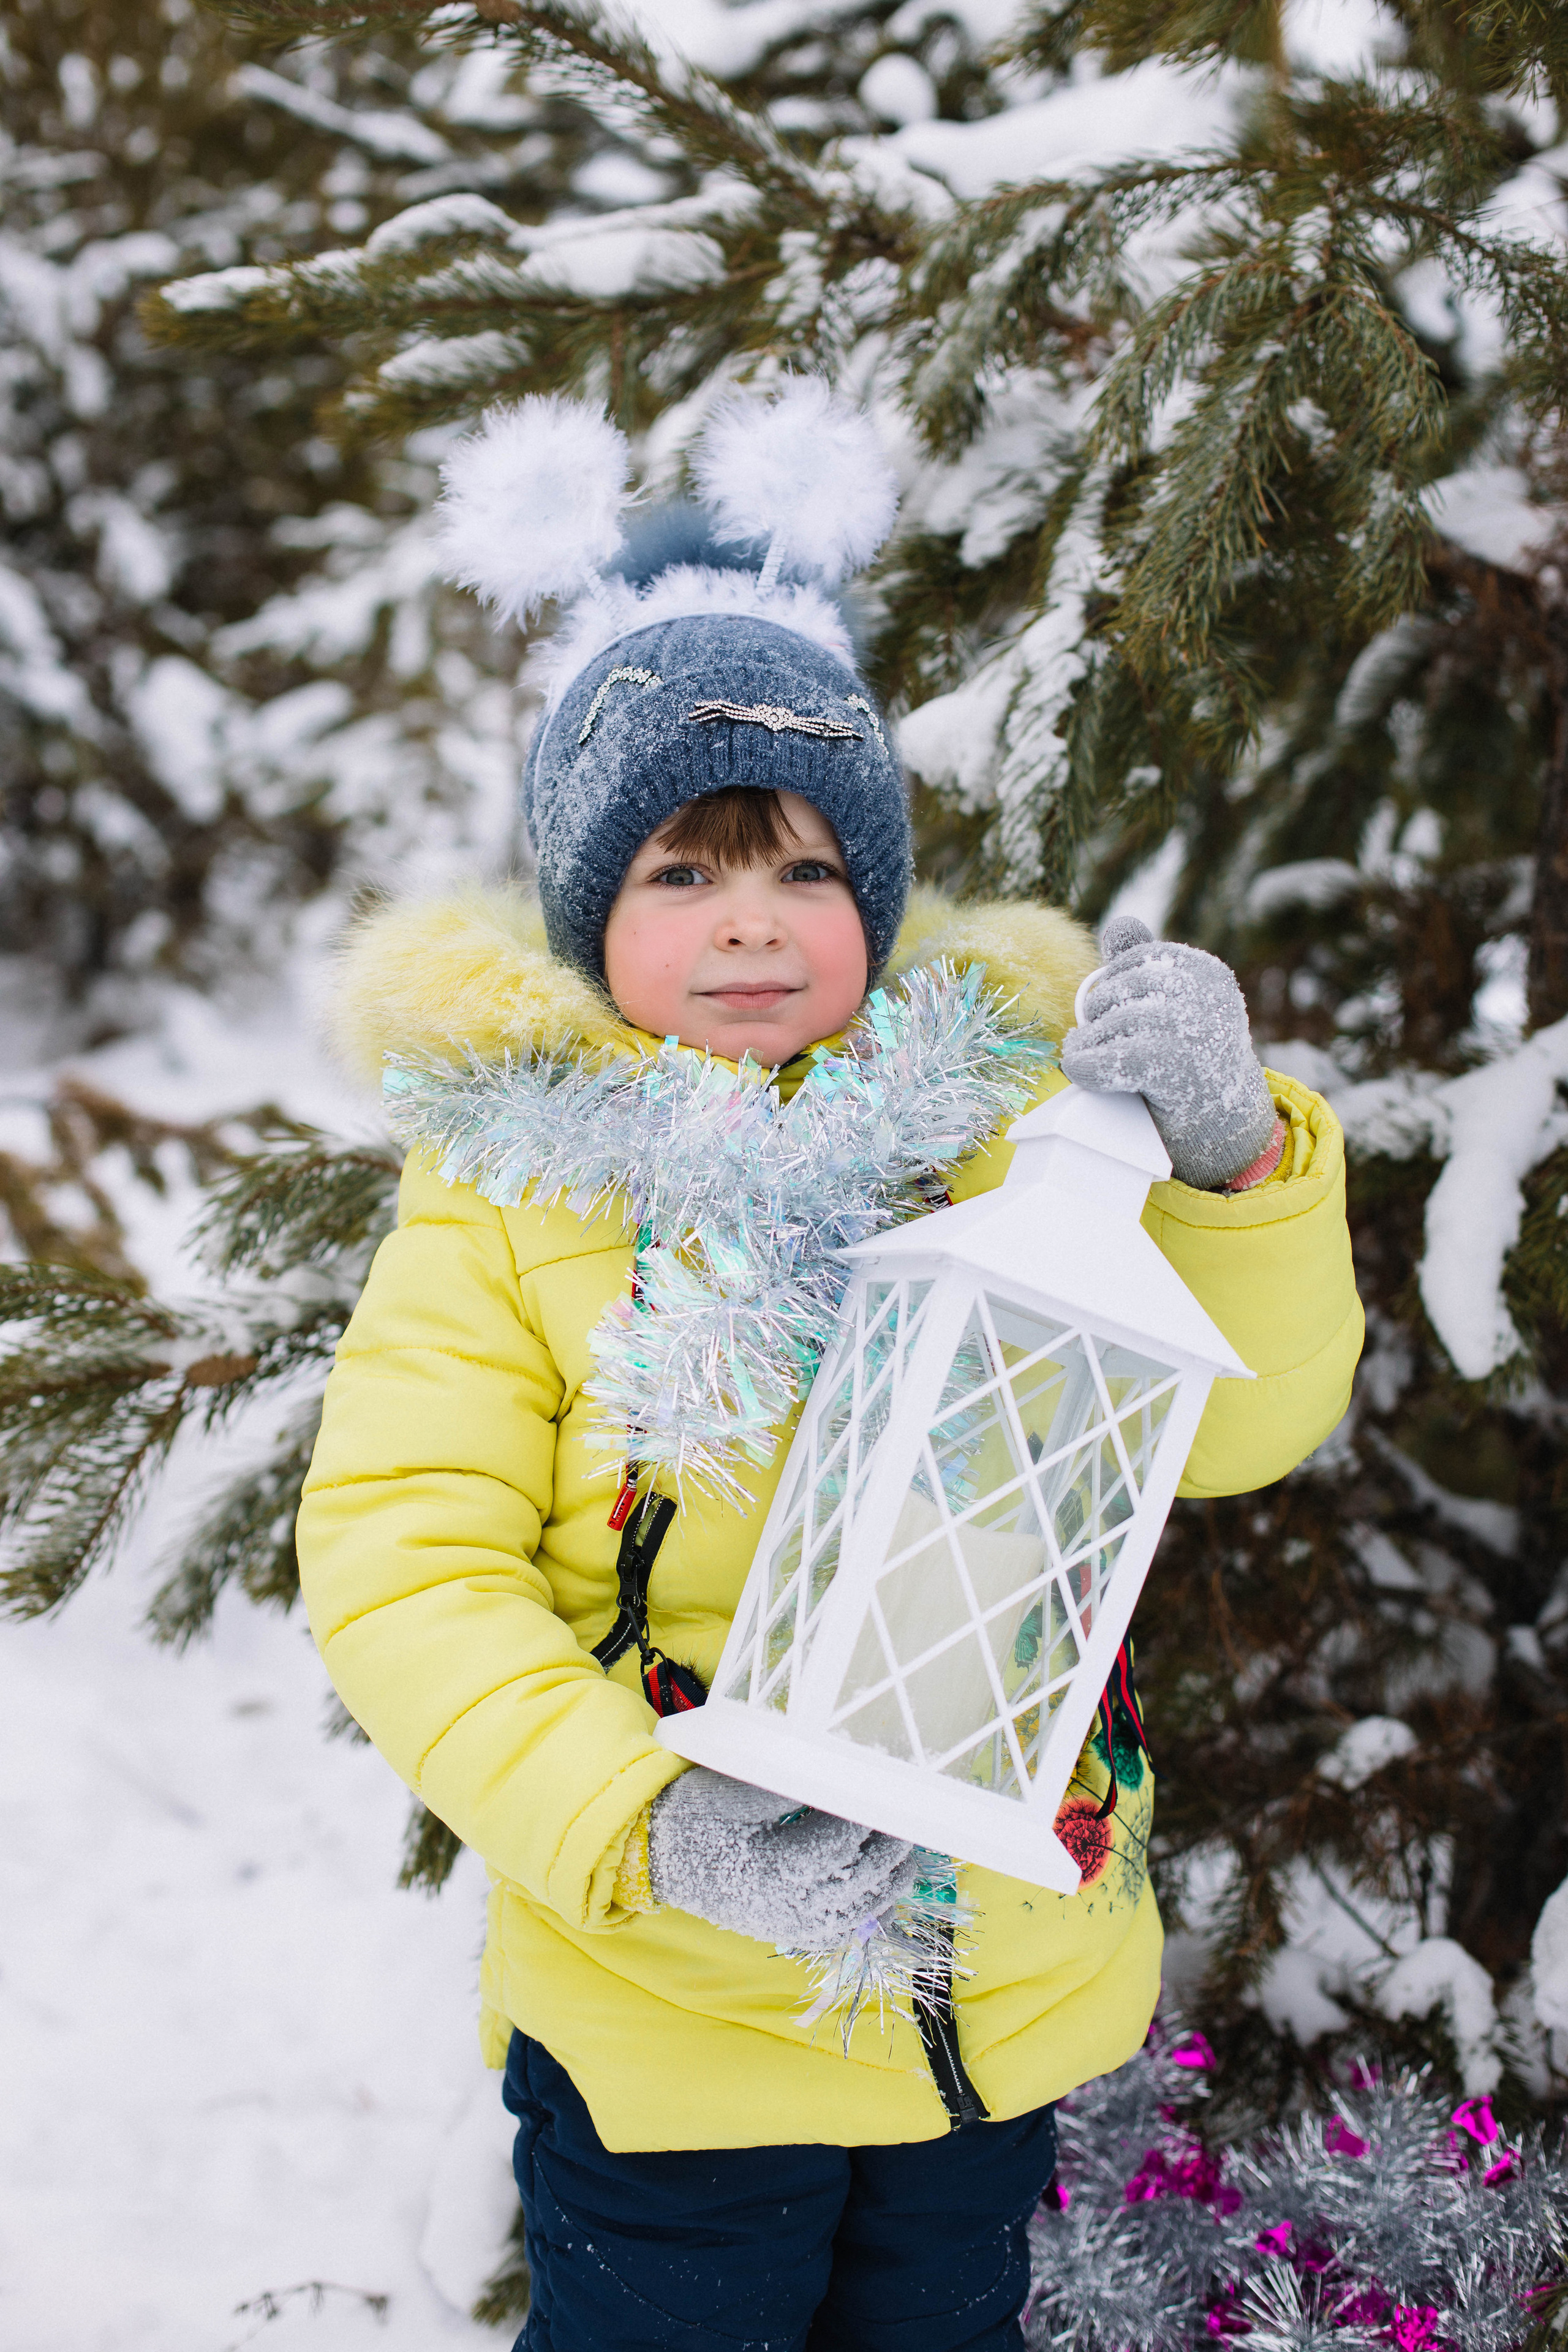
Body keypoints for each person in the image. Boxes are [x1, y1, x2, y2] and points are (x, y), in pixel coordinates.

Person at [295, 385, 1362, 2352]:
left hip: (998, 1974)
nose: (753, 928)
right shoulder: (507, 1189)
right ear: (583, 913)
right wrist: (642, 1819)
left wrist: (1230, 1167)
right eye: (681, 877)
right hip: (679, 2000)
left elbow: (1234, 1426)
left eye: (801, 871)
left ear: (873, 892)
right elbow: (399, 1560)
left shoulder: (1004, 1129)